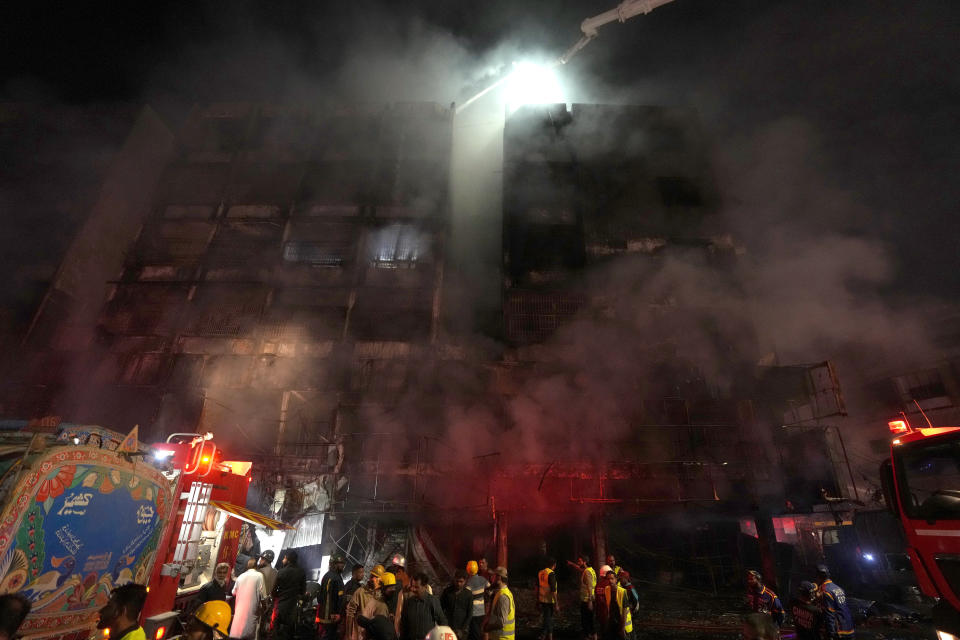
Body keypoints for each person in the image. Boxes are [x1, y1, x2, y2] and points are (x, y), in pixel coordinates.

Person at [398, 572, 447, 640]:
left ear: (425, 587)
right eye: (412, 586)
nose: (413, 589)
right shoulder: (408, 602)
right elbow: (404, 625)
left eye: (416, 587)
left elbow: (442, 622)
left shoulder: (432, 601)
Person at [344, 565, 387, 640]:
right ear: (371, 577)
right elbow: (349, 613)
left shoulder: (380, 595)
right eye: (374, 577)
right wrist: (348, 635)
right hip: (360, 635)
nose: (376, 580)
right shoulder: (360, 592)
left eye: (378, 579)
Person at [273, 550, 307, 640]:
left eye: (284, 558)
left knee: (278, 632)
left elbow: (273, 590)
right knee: (289, 633)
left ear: (288, 559)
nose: (282, 560)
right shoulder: (301, 572)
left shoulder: (281, 572)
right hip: (293, 608)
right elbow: (303, 591)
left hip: (281, 606)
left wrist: (277, 595)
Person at [816, 565, 855, 638]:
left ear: (818, 577)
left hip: (839, 631)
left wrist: (831, 634)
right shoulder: (839, 588)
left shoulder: (825, 591)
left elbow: (829, 613)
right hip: (849, 628)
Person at [231, 558, 267, 639]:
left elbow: (233, 592)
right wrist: (265, 607)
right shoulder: (259, 576)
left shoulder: (240, 576)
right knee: (249, 634)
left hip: (239, 610)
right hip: (252, 611)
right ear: (256, 566)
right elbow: (263, 596)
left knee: (237, 634)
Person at [566, 555, 597, 640]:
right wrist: (572, 564)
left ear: (584, 562)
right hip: (588, 599)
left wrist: (590, 601)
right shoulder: (590, 570)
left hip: (587, 600)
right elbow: (580, 569)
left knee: (587, 620)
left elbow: (590, 586)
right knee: (589, 619)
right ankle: (591, 635)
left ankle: (590, 636)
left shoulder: (587, 572)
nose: (578, 563)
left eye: (580, 561)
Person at [319, 555, 347, 640]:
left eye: (342, 563)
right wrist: (338, 613)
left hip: (324, 615)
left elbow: (320, 596)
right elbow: (340, 597)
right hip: (332, 616)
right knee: (330, 636)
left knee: (326, 635)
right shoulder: (336, 578)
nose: (342, 565)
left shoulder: (326, 576)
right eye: (340, 563)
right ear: (334, 564)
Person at [483, 567, 515, 640]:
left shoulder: (503, 597)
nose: (491, 579)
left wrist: (488, 627)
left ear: (499, 578)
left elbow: (502, 622)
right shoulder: (503, 592)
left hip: (502, 638)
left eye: (493, 576)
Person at [598, 569, 631, 640]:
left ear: (616, 580)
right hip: (612, 621)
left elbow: (624, 610)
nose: (610, 581)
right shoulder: (607, 589)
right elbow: (608, 606)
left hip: (621, 622)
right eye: (608, 579)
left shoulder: (622, 592)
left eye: (612, 579)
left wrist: (622, 628)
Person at [440, 569, 473, 639]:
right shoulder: (447, 592)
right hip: (448, 628)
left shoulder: (468, 594)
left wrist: (462, 629)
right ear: (454, 579)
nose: (458, 584)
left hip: (462, 630)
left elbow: (469, 613)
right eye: (457, 581)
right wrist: (444, 624)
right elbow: (441, 609)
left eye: (461, 582)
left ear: (465, 581)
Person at [464, 560, 490, 640]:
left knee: (474, 633)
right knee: (477, 631)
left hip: (473, 612)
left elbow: (466, 597)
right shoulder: (482, 579)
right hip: (482, 611)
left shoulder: (468, 583)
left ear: (467, 570)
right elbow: (489, 586)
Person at [537, 557, 559, 640]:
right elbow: (553, 589)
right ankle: (545, 635)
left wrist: (537, 600)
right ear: (554, 565)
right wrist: (556, 604)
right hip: (549, 600)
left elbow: (537, 587)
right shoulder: (551, 574)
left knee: (547, 618)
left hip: (542, 599)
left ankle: (547, 636)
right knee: (548, 619)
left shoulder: (540, 572)